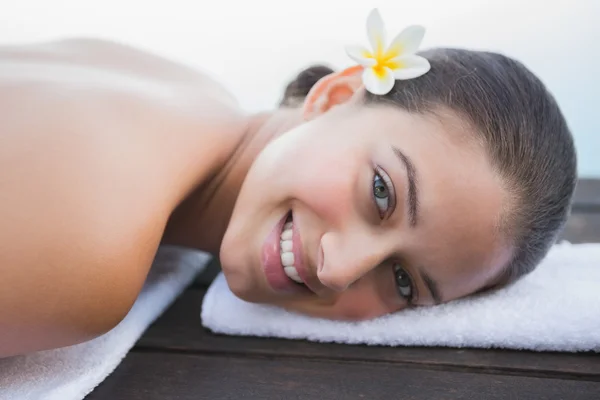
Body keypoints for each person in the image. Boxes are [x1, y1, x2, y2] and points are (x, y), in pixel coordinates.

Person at [0, 10, 576, 358]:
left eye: (403, 282)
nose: (338, 269)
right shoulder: (90, 257)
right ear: (332, 96)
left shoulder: (189, 90)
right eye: (382, 192)